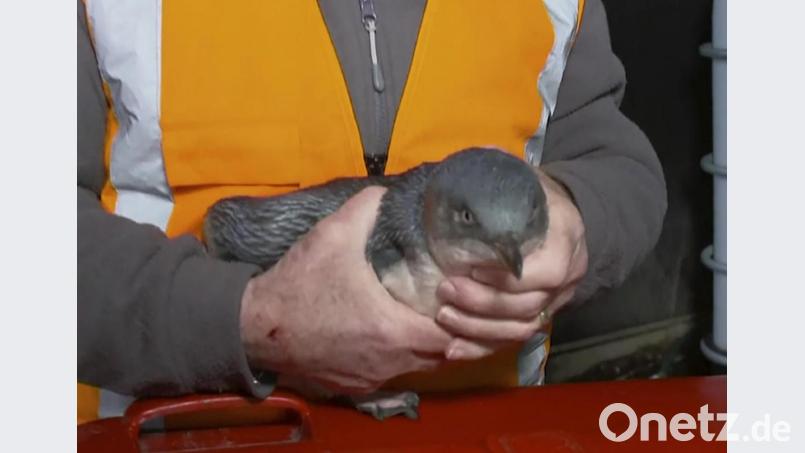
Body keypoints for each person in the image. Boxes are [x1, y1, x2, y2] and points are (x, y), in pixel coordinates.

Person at [77, 0, 666, 423]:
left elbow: (611, 160)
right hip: (183, 429)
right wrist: (247, 320)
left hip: (483, 428)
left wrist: (578, 218)